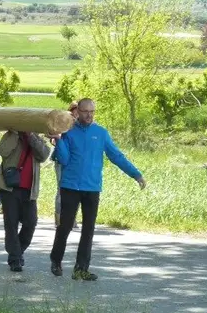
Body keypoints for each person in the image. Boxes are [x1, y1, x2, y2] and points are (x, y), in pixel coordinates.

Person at [50, 98, 146, 281]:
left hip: (92, 187)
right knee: (65, 225)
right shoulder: (69, 132)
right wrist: (58, 140)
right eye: (85, 111)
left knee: (89, 228)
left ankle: (81, 269)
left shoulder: (101, 133)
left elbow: (116, 156)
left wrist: (136, 174)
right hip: (70, 186)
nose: (89, 115)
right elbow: (64, 159)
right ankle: (56, 260)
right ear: (78, 112)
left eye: (92, 112)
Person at [0, 128, 51, 272]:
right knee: (11, 224)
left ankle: (17, 251)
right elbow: (2, 151)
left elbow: (44, 155)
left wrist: (31, 135)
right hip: (9, 188)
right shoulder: (10, 135)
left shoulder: (35, 137)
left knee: (31, 222)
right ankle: (15, 258)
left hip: (29, 190)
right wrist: (15, 135)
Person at [53, 102, 79, 229]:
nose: (77, 115)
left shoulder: (85, 126)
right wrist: (57, 140)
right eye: (75, 112)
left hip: (74, 162)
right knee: (61, 189)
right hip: (60, 161)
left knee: (77, 190)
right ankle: (59, 218)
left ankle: (72, 218)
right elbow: (53, 136)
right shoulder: (64, 123)